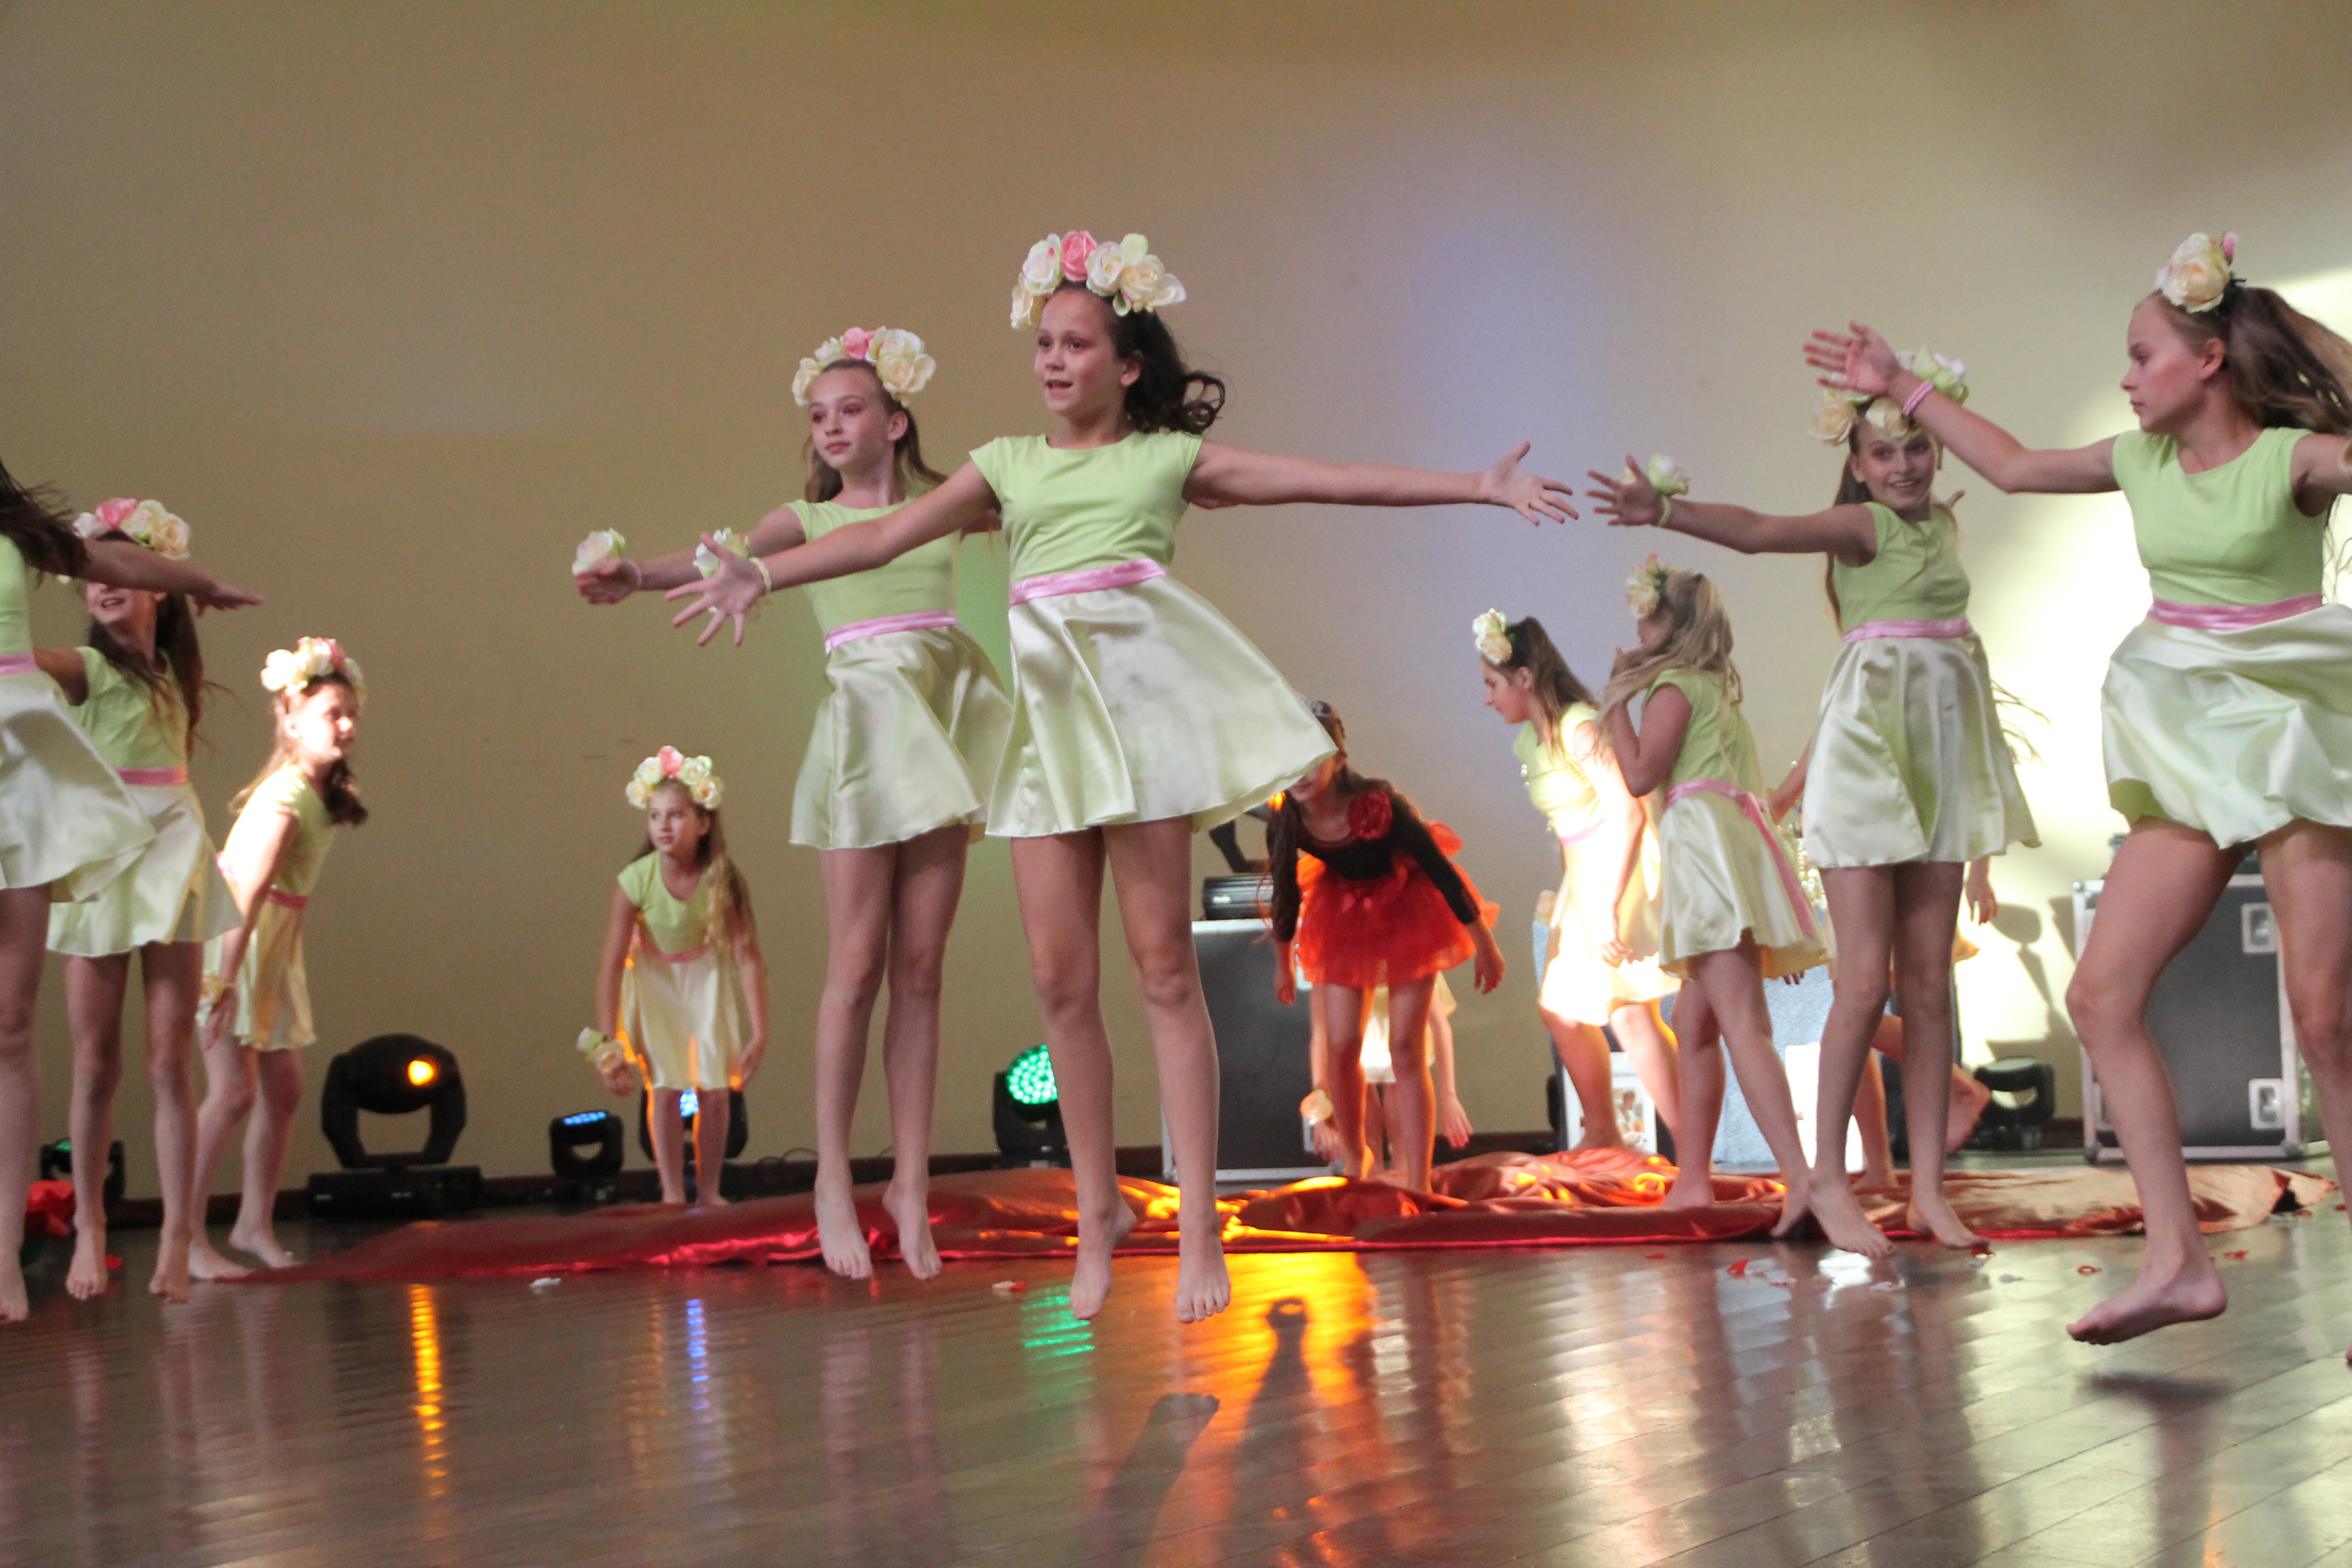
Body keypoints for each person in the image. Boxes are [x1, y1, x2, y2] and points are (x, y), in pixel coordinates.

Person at [668, 229, 1576, 1321]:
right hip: (1047, 747)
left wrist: (1476, 485)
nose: (1052, 361)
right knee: (1060, 981)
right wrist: (760, 575)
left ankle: (1196, 1225)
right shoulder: (1007, 463)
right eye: (1043, 343)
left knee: (1161, 972)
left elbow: (1325, 480)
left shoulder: (1164, 460)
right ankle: (1098, 1205)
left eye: (1077, 343)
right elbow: (879, 538)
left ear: (1127, 362)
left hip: (1139, 740)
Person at [1808, 232, 2352, 1345]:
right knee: (2100, 995)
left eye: (2143, 354)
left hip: (2296, 734)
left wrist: (2293, 332)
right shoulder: (2139, 461)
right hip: (2190, 745)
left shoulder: (2293, 461)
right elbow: (2011, 465)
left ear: (2208, 360)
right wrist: (1898, 380)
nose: (2127, 375)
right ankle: (2176, 1259)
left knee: (2324, 1016)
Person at [576, 327, 1005, 1276]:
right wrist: (637, 576)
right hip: (866, 726)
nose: (832, 428)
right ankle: (833, 1182)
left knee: (921, 967)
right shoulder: (802, 521)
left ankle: (910, 1181)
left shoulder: (941, 507)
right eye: (818, 417)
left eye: (851, 410)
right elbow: (718, 556)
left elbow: (1042, 502)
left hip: (937, 716)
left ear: (896, 421)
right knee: (857, 963)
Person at [1589, 408, 2034, 1253]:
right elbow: (1762, 532)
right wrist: (1667, 512)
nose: (1903, 465)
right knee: (1862, 983)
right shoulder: (1862, 527)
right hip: (1870, 756)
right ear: (1857, 467)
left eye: (1917, 447)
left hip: (1940, 754)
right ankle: (1824, 1175)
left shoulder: (1940, 527)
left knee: (1928, 984)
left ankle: (1926, 1191)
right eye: (1883, 453)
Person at [0, 461, 257, 1321]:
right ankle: (89, 1225)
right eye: (96, 578)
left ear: (155, 589)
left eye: (124, 572)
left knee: (166, 1059)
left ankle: (182, 1236)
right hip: (108, 852)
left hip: (172, 848)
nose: (106, 586)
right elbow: (28, 666)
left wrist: (200, 583)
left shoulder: (176, 672)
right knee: (96, 1061)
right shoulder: (85, 666)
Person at [1597, 558, 1826, 1230]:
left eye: (1648, 618)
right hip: (1723, 852)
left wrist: (1615, 703)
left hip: (1704, 857)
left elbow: (1641, 774)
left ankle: (1802, 1179)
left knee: (1743, 1025)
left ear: (1672, 627)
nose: (1638, 629)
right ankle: (1693, 1177)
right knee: (1694, 1023)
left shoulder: (1674, 687)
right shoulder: (1714, 690)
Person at [1267, 700, 1504, 1191]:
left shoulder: (1377, 806)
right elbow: (1285, 895)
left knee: (1405, 1047)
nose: (1300, 773)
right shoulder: (1288, 818)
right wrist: (1284, 965)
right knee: (1341, 1047)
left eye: (1312, 757)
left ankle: (1418, 1178)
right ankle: (1357, 1155)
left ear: (1338, 757)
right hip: (1344, 913)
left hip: (1407, 907)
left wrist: (1483, 942)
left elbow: (1440, 870)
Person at [187, 639, 366, 1275]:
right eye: (331, 714)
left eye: (350, 714)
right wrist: (221, 981)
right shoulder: (287, 795)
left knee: (282, 1088)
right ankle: (184, 1237)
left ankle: (252, 1225)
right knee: (232, 1092)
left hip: (274, 946)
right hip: (239, 941)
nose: (345, 726)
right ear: (291, 721)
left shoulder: (315, 793)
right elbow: (246, 892)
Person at [1476, 609, 1681, 1151]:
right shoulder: (1530, 742)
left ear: (1524, 677)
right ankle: (1604, 1132)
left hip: (1620, 870)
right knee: (1561, 1009)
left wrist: (1608, 905)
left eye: (1493, 684)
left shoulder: (1579, 725)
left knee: (1631, 1014)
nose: (1488, 698)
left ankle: (1692, 1147)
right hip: (1584, 876)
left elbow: (1630, 813)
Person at [579, 748, 769, 1206]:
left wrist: (760, 1032)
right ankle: (670, 1191)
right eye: (655, 816)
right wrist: (609, 1043)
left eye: (676, 815)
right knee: (664, 1090)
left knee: (715, 1091)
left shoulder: (721, 879)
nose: (664, 826)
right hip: (655, 983)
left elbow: (747, 957)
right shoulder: (634, 881)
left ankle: (710, 1190)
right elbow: (611, 965)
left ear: (703, 823)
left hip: (704, 983)